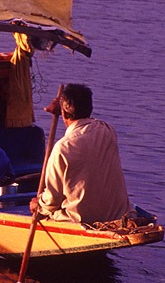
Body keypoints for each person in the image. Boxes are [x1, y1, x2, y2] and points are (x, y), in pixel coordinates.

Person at [30, 83, 134, 224]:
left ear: (64, 113)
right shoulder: (107, 131)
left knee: (47, 209)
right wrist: (62, 109)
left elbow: (52, 199)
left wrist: (38, 206)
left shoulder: (62, 148)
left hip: (80, 220)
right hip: (116, 216)